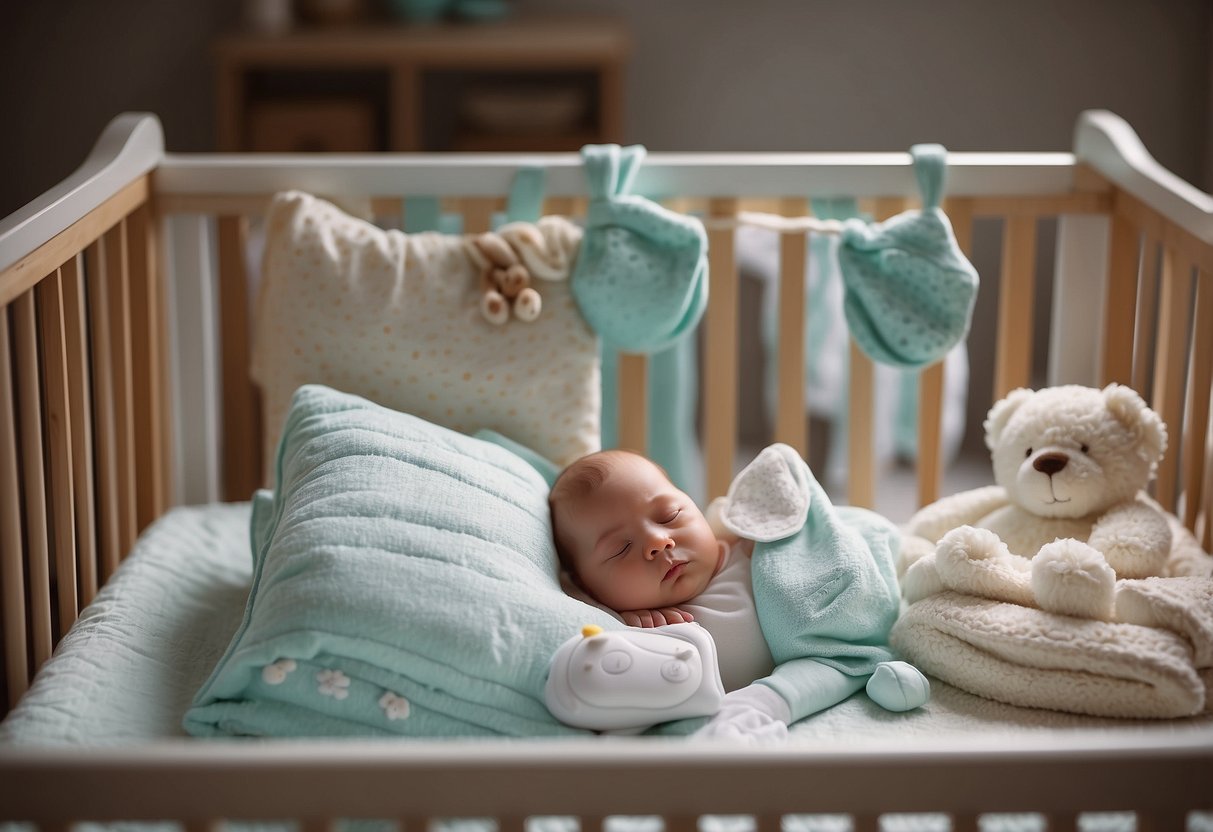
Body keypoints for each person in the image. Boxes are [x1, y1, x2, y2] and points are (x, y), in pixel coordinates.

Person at [548, 447, 929, 739]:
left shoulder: (750, 550)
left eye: (669, 515)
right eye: (620, 549)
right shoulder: (630, 629)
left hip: (830, 649)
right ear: (588, 586)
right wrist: (616, 618)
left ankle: (859, 659)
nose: (658, 541)